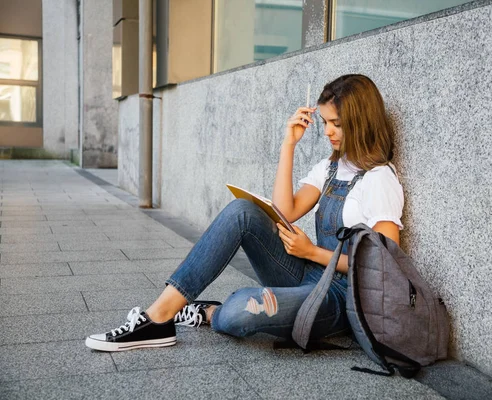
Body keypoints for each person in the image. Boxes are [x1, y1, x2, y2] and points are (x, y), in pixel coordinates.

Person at [85, 74, 405, 352]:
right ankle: (158, 317)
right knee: (242, 211)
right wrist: (288, 144)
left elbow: (383, 265)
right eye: (324, 122)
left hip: (342, 298)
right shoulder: (332, 168)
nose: (327, 132)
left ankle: (208, 313)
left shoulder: (379, 180)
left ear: (360, 122)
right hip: (309, 274)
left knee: (240, 311)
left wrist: (313, 252)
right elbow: (286, 211)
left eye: (336, 123)